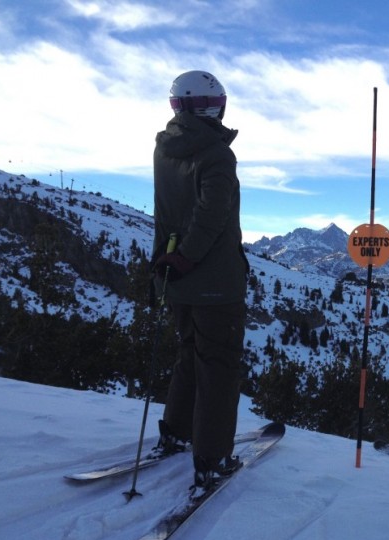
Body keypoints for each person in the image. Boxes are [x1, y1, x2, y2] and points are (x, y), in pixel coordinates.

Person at [151, 70, 250, 489]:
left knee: (189, 354)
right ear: (212, 106)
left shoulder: (165, 149)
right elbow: (212, 215)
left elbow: (172, 211)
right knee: (220, 366)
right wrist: (190, 258)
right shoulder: (216, 154)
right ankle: (211, 458)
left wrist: (172, 262)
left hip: (175, 276)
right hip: (213, 280)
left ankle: (176, 431)